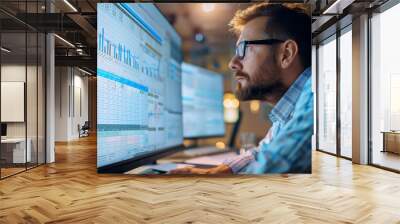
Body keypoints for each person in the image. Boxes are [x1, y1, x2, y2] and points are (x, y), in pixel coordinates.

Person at [170, 3, 313, 174]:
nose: (232, 63)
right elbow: (261, 153)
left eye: (243, 49)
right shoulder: (285, 116)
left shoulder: (315, 95)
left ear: (286, 54)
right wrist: (222, 171)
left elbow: (272, 167)